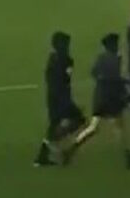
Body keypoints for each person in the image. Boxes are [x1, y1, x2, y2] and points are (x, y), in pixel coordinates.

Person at [63, 33, 130, 169]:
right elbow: (115, 80)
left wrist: (105, 81)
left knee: (93, 127)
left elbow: (94, 73)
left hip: (100, 97)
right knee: (119, 127)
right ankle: (128, 158)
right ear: (112, 45)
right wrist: (126, 86)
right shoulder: (116, 59)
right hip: (112, 99)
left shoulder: (101, 58)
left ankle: (72, 147)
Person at [35, 32, 86, 167]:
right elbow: (63, 81)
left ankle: (43, 155)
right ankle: (56, 146)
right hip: (61, 98)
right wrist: (66, 101)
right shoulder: (64, 60)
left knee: (54, 124)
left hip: (54, 98)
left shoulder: (53, 59)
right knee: (79, 119)